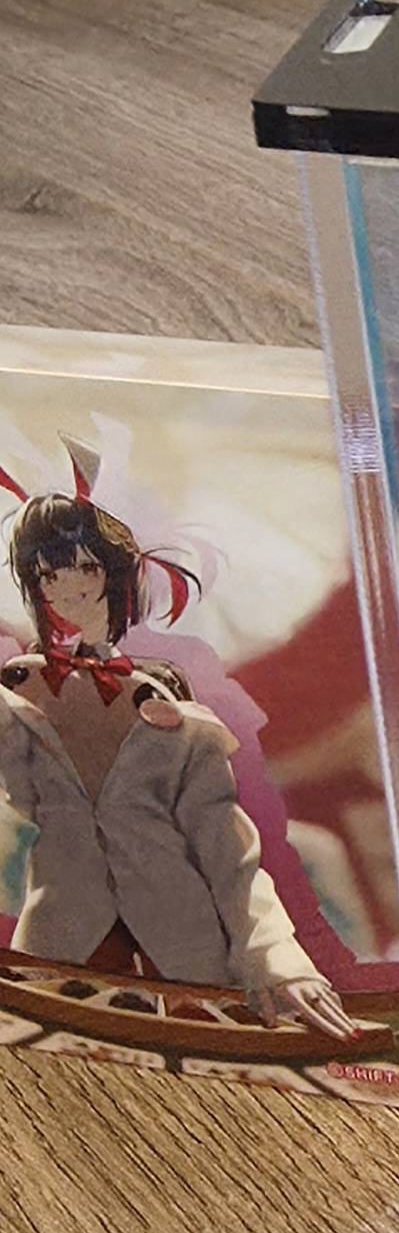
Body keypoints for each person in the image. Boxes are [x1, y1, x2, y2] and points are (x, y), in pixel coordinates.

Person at [0, 440, 353, 1038]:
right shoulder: (20, 694)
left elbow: (228, 851)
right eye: (48, 573)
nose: (66, 588)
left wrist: (278, 960)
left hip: (183, 947)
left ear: (116, 574)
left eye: (85, 568)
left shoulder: (176, 710)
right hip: (60, 943)